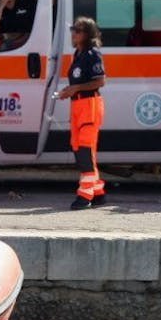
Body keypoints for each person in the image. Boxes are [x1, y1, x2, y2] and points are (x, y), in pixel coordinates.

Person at [56, 17, 107, 210]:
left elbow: (100, 81)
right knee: (79, 148)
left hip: (90, 104)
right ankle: (98, 192)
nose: (73, 34)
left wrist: (75, 88)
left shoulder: (92, 54)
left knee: (85, 149)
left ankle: (85, 195)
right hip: (78, 105)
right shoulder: (79, 54)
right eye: (73, 30)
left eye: (78, 31)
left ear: (87, 34)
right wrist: (70, 91)